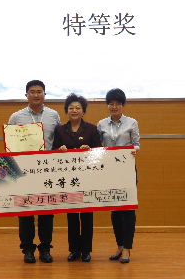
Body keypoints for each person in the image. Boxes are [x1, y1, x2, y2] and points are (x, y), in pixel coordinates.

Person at [8, 80, 61, 263]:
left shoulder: (53, 115)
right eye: (32, 92)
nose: (36, 95)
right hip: (24, 170)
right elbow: (10, 144)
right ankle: (28, 250)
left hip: (47, 169)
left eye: (39, 91)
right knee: (25, 212)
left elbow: (58, 140)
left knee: (46, 211)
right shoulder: (16, 117)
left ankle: (45, 248)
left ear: (45, 94)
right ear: (26, 95)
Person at [52, 93, 102, 262]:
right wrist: (60, 150)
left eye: (78, 108)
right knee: (72, 215)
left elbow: (100, 152)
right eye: (71, 108)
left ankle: (86, 250)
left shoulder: (92, 129)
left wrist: (90, 150)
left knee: (87, 215)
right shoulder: (60, 130)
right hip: (68, 178)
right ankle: (74, 250)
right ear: (66, 111)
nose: (74, 110)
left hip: (87, 178)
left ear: (83, 111)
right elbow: (53, 151)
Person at [97, 88, 140, 264]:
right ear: (108, 105)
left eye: (117, 104)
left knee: (128, 210)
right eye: (111, 104)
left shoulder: (132, 122)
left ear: (123, 105)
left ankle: (128, 248)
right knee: (115, 211)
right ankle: (120, 246)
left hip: (127, 169)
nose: (114, 107)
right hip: (109, 170)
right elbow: (97, 145)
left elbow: (136, 143)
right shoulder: (101, 124)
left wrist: (135, 150)